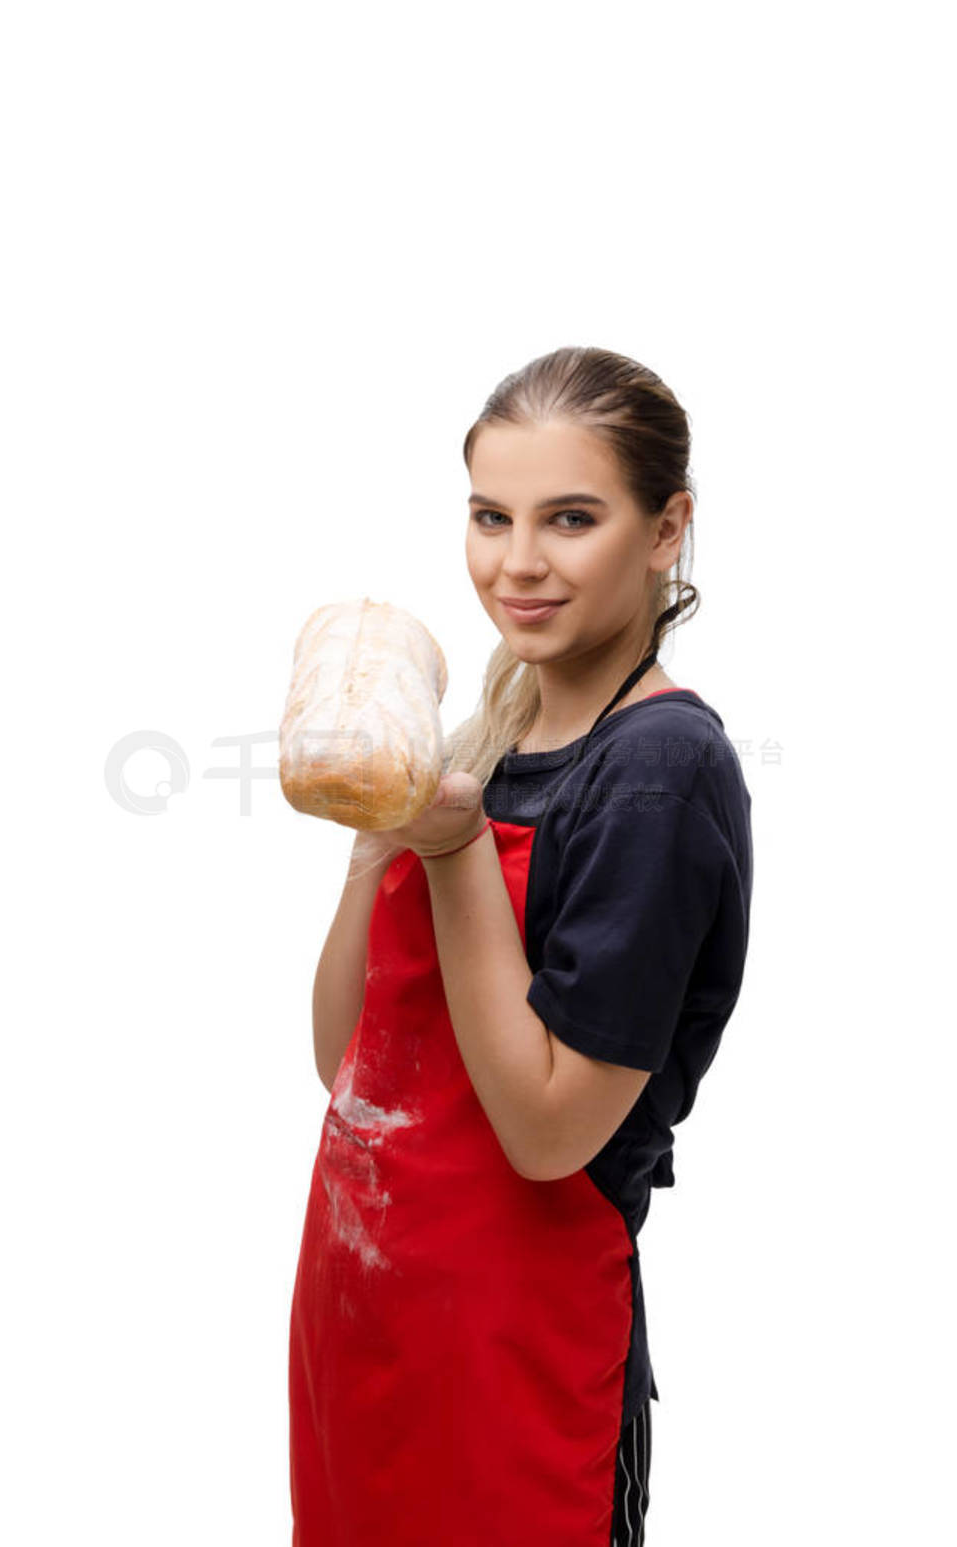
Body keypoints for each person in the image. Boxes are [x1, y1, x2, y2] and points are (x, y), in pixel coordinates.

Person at [288, 346, 753, 1546]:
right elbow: (344, 1058)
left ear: (666, 530)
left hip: (515, 1353)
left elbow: (550, 1133)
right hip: (363, 1316)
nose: (517, 562)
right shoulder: (477, 730)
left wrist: (447, 857)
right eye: (490, 516)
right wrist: (375, 834)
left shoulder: (658, 769)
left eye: (571, 518)